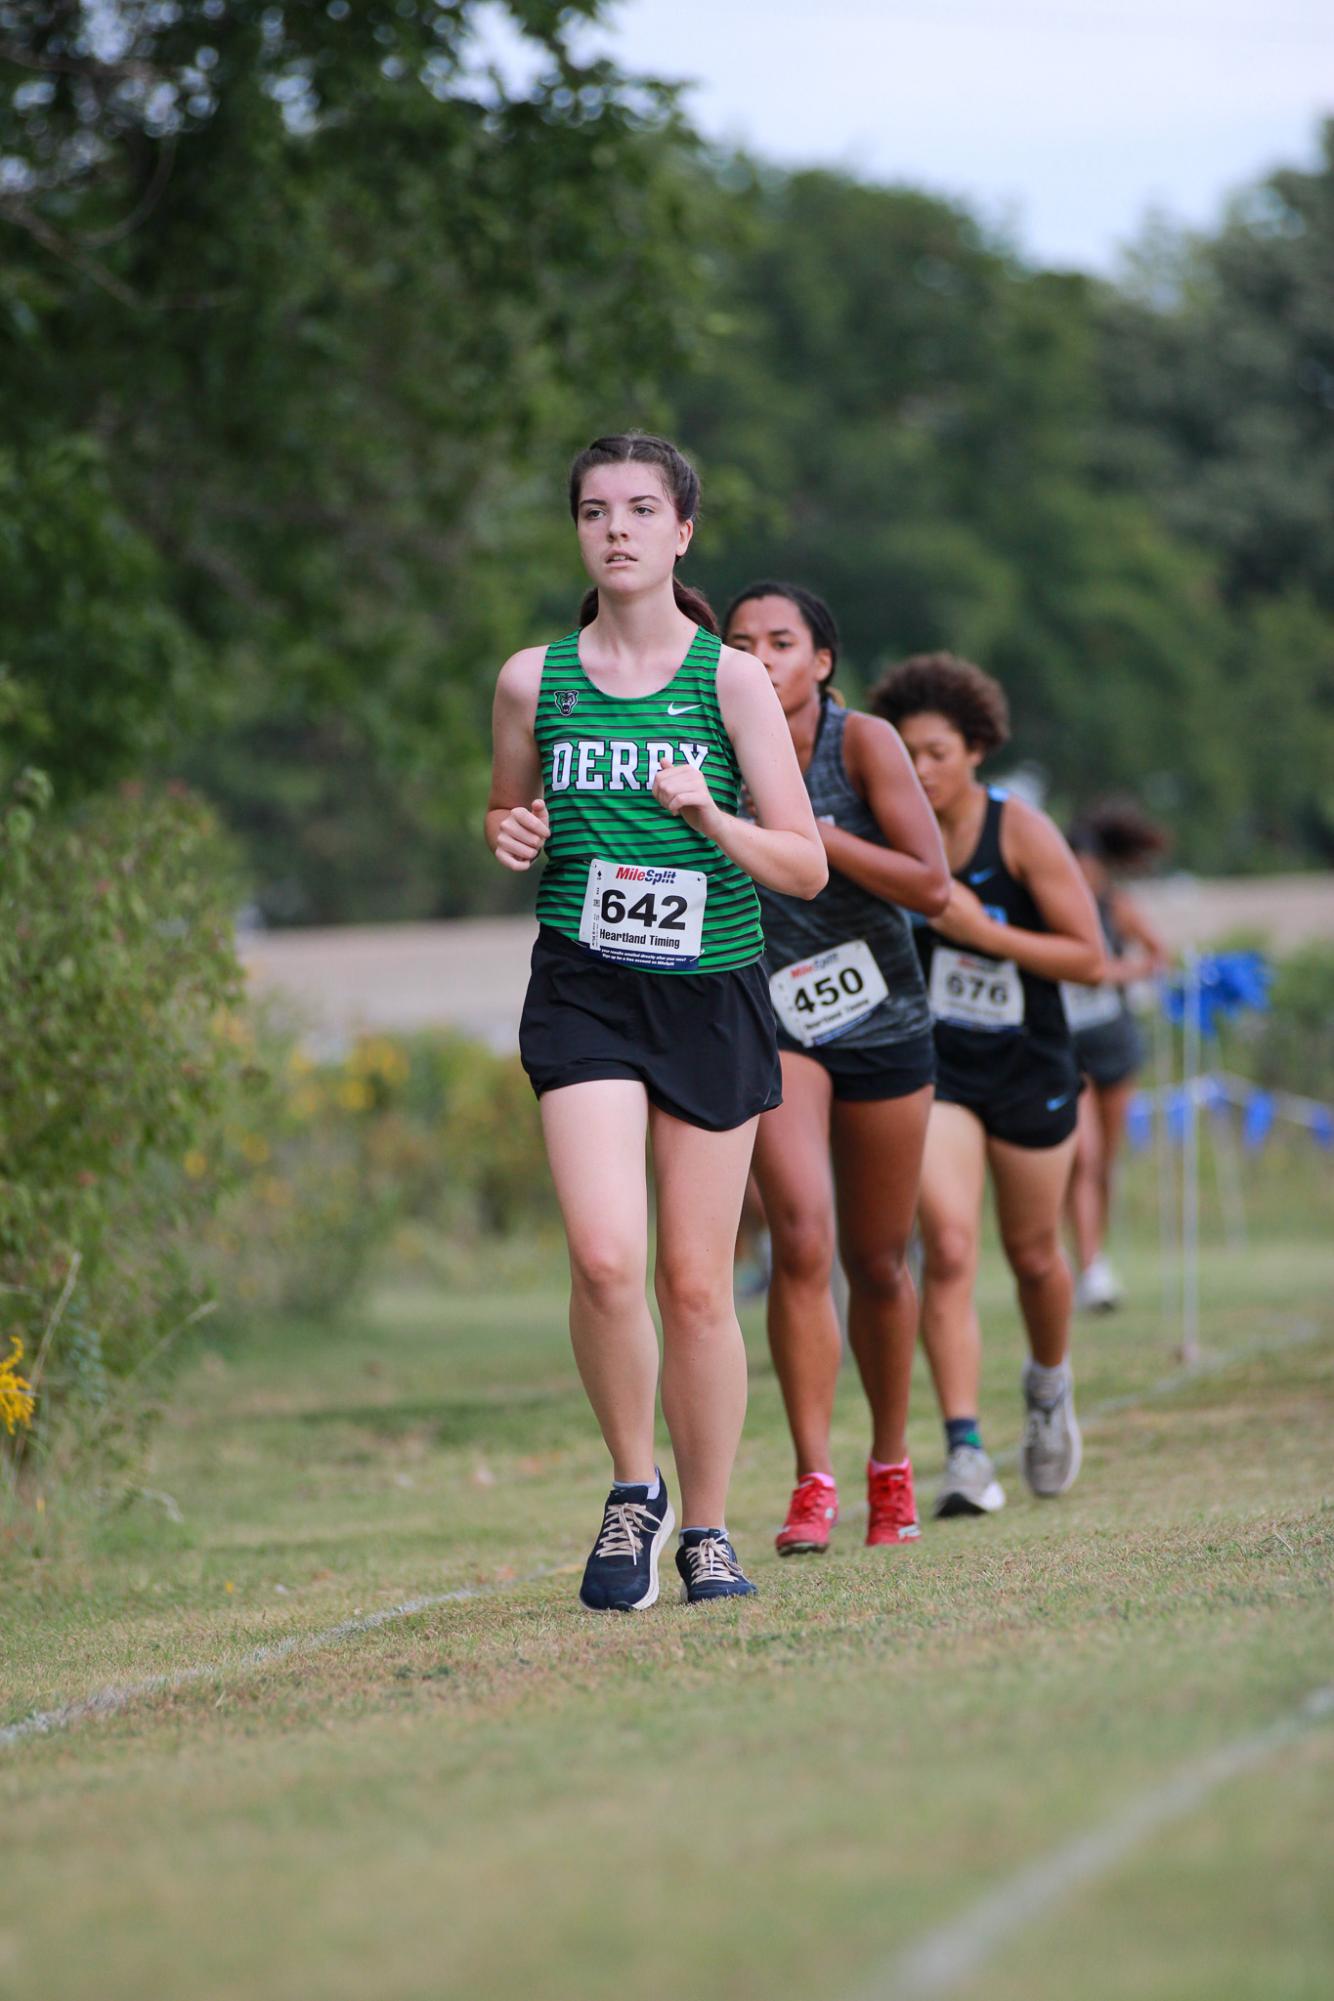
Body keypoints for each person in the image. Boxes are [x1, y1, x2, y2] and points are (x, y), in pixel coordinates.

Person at [486, 434, 826, 1610]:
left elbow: (803, 866)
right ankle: (634, 1494)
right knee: (601, 1255)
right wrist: (509, 832)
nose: (615, 529)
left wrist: (707, 816)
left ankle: (711, 1531)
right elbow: (507, 808)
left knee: (693, 1283)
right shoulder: (534, 679)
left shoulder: (727, 682)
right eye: (594, 511)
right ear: (577, 533)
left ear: (681, 532)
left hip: (708, 990)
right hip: (584, 983)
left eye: (640, 509)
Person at [723, 584, 950, 1555]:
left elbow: (929, 885)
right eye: (740, 643)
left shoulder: (860, 746)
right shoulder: (709, 744)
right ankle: (811, 1480)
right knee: (801, 1242)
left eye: (781, 642)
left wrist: (813, 839)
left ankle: (888, 1468)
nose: (760, 657)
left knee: (876, 1260)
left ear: (820, 661)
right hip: (773, 1015)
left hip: (880, 1013)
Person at [869, 654, 1104, 1517]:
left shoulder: (1022, 833)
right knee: (951, 1245)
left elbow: (1091, 958)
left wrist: (982, 932)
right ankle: (964, 1450)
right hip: (938, 1069)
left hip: (1031, 1065)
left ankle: (1048, 1388)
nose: (921, 769)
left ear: (975, 751)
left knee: (1035, 1252)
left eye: (936, 752)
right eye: (908, 753)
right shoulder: (890, 834)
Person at [1062, 802, 1171, 1311]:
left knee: (1104, 1160)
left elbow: (1158, 956)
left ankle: (1096, 1254)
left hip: (1115, 1046)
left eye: (1088, 867)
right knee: (1081, 1157)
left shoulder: (1117, 908)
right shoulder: (1047, 909)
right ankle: (1089, 1268)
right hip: (1068, 1050)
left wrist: (1112, 972)